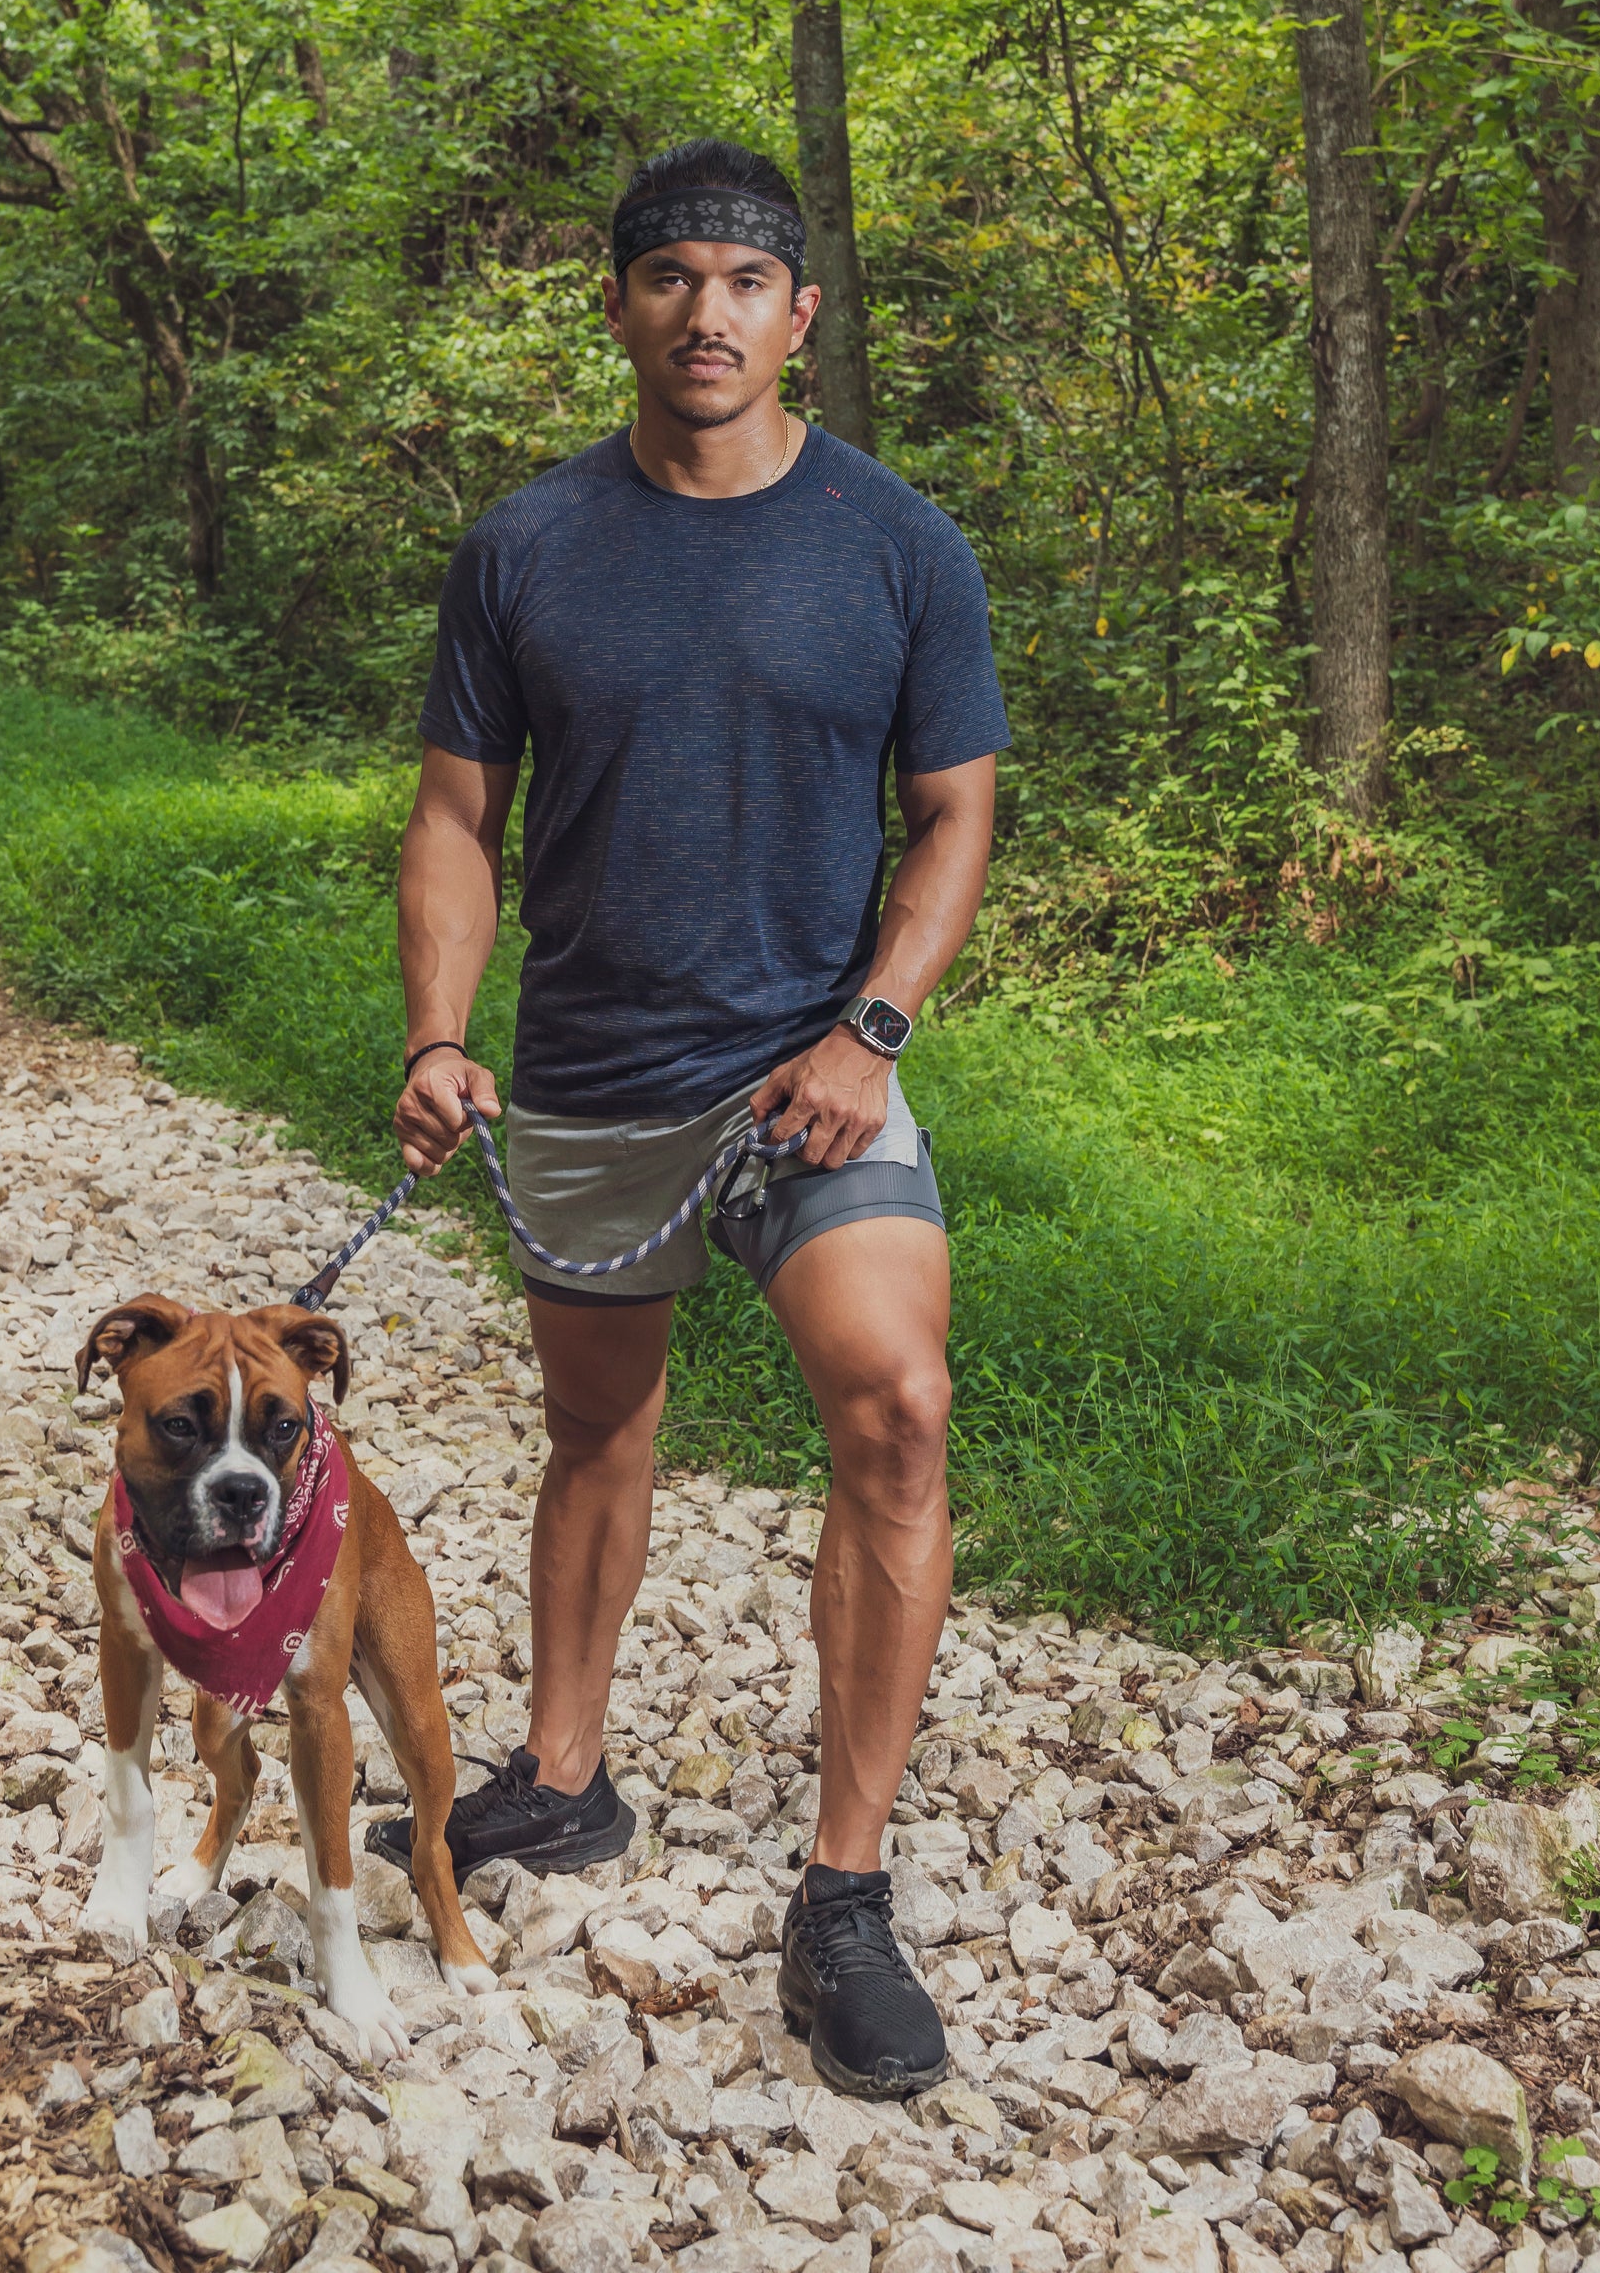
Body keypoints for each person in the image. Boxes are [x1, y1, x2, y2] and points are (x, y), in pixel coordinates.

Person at [369, 137, 1008, 2099]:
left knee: (897, 1407)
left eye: (745, 280)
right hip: (589, 1069)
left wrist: (875, 1025)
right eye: (671, 278)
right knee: (596, 1431)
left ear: (799, 314)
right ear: (622, 305)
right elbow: (460, 819)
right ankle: (562, 1781)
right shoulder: (529, 547)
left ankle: (845, 1890)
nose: (707, 311)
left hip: (812, 1071)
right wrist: (437, 1028)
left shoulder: (898, 544)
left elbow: (958, 811)